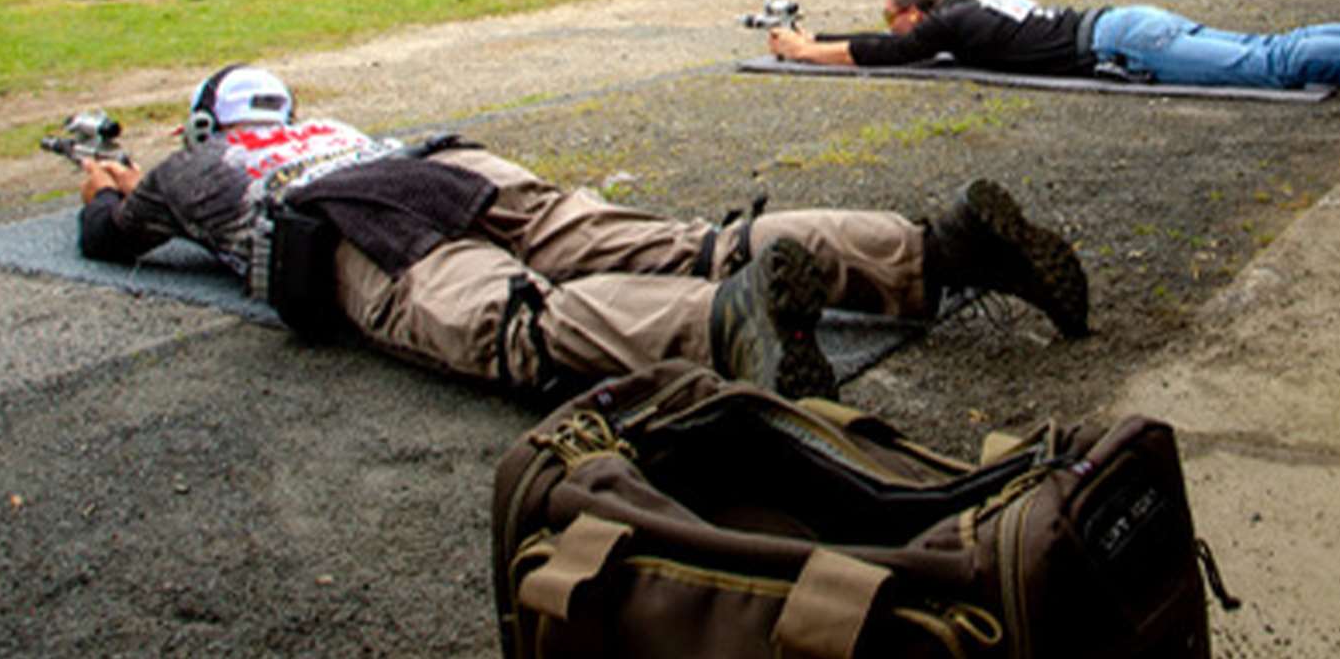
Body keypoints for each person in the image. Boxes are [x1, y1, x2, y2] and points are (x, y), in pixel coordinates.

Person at [75, 65, 1090, 402]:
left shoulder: (190, 167)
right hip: (450, 165)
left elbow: (107, 236)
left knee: (516, 320)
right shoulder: (330, 122)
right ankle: (943, 246)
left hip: (354, 223)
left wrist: (109, 179)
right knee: (690, 239)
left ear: (209, 123)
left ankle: (729, 330)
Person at [767, 0, 1340, 91]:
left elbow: (887, 53)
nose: (898, 27)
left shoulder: (952, 22)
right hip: (1127, 24)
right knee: (1262, 50)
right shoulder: (969, 8)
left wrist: (803, 51)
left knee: (1268, 63)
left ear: (917, 12)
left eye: (897, 16)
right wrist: (815, 34)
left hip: (1127, 42)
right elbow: (892, 37)